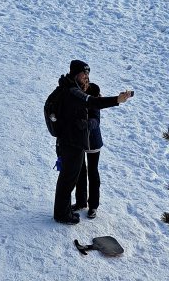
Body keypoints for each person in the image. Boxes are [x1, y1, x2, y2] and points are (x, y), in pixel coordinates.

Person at [52, 60, 133, 224]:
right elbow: (92, 102)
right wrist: (117, 99)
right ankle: (63, 213)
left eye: (88, 74)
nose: (86, 77)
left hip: (71, 141)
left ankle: (75, 209)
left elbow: (94, 111)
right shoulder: (72, 91)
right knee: (69, 179)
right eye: (84, 74)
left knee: (70, 177)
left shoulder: (64, 87)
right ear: (76, 74)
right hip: (72, 142)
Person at [74, 82, 103, 219]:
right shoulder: (79, 96)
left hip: (93, 141)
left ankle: (93, 206)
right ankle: (81, 202)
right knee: (80, 171)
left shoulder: (94, 100)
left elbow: (96, 120)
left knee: (92, 172)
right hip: (80, 141)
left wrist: (86, 124)